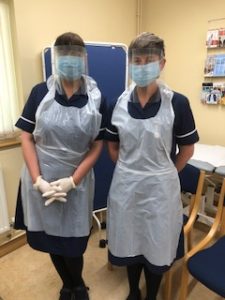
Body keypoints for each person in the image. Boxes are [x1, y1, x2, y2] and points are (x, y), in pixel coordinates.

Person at [105, 32, 199, 300]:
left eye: (149, 60)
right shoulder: (118, 104)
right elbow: (113, 147)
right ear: (131, 64)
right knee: (130, 242)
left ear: (162, 63)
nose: (142, 65)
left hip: (160, 190)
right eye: (137, 60)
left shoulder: (177, 103)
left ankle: (151, 295)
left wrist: (165, 173)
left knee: (156, 245)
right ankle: (134, 291)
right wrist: (130, 171)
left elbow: (187, 149)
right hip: (126, 188)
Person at [14, 32, 106, 300]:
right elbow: (26, 136)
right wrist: (37, 180)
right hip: (40, 178)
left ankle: (77, 282)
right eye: (63, 55)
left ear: (84, 58)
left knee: (74, 243)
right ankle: (69, 285)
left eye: (75, 55)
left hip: (75, 182)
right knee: (51, 237)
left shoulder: (97, 97)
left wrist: (73, 180)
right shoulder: (40, 92)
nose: (69, 60)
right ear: (56, 59)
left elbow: (97, 144)